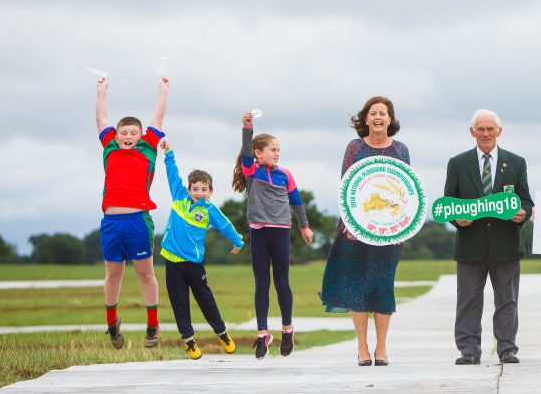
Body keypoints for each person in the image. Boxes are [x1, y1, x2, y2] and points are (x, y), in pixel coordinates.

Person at [320, 96, 410, 366]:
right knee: (357, 286)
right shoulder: (354, 147)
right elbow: (346, 185)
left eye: (383, 113)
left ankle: (381, 348)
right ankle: (362, 347)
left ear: (391, 119)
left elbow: (407, 190)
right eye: (373, 113)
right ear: (366, 119)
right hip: (354, 231)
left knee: (382, 287)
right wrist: (351, 224)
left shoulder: (401, 150)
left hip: (390, 232)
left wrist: (405, 225)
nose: (378, 117)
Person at [445, 109, 533, 365]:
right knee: (468, 300)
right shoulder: (458, 163)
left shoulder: (516, 163)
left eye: (490, 129)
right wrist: (456, 218)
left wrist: (523, 213)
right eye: (480, 129)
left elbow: (526, 200)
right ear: (472, 132)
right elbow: (449, 201)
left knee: (507, 300)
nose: (485, 134)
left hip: (506, 243)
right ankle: (469, 350)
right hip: (470, 244)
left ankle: (507, 348)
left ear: (499, 132)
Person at [232, 111, 315, 359]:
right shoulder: (251, 171)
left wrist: (305, 226)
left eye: (279, 150)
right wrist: (248, 128)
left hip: (280, 234)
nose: (277, 153)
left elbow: (296, 201)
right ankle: (262, 334)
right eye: (273, 149)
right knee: (261, 284)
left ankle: (287, 329)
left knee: (282, 283)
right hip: (259, 234)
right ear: (259, 153)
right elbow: (246, 153)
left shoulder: (285, 174)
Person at [95, 76, 170, 349]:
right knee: (113, 275)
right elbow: (101, 118)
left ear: (140, 136)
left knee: (145, 274)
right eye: (123, 133)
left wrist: (162, 90)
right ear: (116, 136)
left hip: (138, 221)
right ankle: (112, 323)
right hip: (112, 222)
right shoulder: (110, 148)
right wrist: (102, 90)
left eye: (133, 133)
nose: (128, 137)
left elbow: (158, 117)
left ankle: (152, 326)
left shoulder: (148, 149)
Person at [159, 138, 244, 360]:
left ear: (210, 191)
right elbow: (172, 172)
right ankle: (189, 341)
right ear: (188, 189)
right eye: (195, 189)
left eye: (203, 189)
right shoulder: (179, 197)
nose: (199, 192)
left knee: (206, 300)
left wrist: (238, 242)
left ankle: (222, 334)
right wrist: (168, 152)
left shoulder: (209, 210)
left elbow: (225, 225)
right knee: (179, 303)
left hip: (194, 264)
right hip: (172, 261)